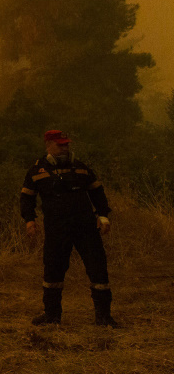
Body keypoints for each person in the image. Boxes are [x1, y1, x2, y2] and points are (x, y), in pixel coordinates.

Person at [21, 130, 118, 327]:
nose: (65, 148)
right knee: (53, 272)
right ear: (48, 144)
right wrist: (30, 221)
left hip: (86, 228)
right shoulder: (36, 171)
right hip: (57, 229)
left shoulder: (81, 168)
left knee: (98, 269)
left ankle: (104, 317)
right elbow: (26, 198)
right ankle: (52, 316)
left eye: (67, 145)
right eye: (60, 145)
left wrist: (103, 216)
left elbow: (97, 192)